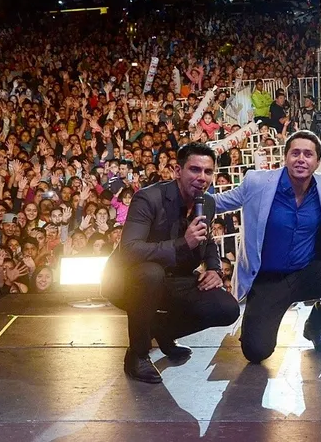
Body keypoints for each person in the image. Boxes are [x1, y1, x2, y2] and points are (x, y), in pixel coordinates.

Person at [213, 130, 321, 363]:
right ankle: (254, 324)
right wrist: (185, 193)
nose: (301, 159)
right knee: (256, 352)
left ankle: (315, 326)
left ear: (317, 161)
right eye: (295, 153)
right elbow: (219, 202)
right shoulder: (257, 182)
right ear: (285, 157)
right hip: (268, 280)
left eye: (308, 154)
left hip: (306, 273)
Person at [101, 143, 241, 384]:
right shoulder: (148, 198)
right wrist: (182, 244)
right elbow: (129, 250)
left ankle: (162, 331)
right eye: (195, 169)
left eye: (208, 171)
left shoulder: (206, 202)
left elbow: (207, 241)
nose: (202, 177)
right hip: (129, 281)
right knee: (151, 273)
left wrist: (214, 269)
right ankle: (137, 355)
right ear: (178, 171)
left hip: (175, 279)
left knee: (227, 308)